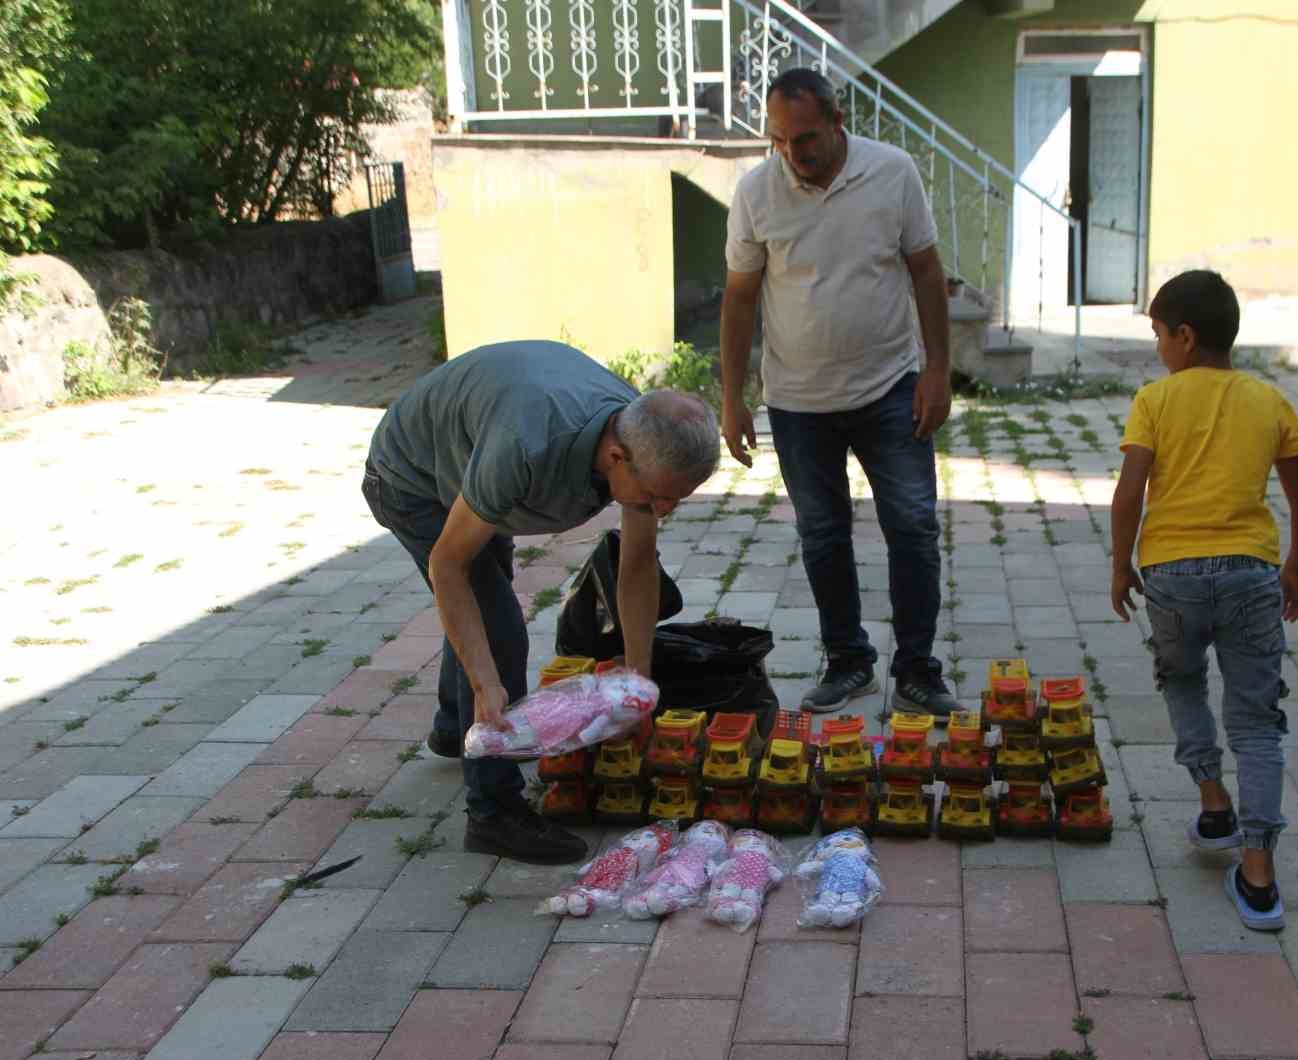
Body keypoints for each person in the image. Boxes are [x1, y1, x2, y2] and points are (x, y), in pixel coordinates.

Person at [363, 340, 720, 865]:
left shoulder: (642, 437)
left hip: (475, 455)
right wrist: (488, 683)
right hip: (414, 476)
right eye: (654, 499)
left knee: (485, 608)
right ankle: (494, 811)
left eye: (676, 499)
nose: (662, 510)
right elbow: (448, 564)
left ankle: (452, 728)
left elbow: (638, 565)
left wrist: (638, 681)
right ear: (617, 458)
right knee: (499, 628)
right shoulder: (526, 448)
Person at [718, 67, 960, 720]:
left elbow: (926, 269)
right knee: (823, 534)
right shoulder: (756, 193)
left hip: (891, 390)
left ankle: (916, 669)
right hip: (798, 403)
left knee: (911, 527)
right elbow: (740, 299)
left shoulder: (893, 172)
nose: (792, 154)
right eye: (779, 140)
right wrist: (732, 397)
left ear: (837, 121)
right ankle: (847, 660)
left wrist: (938, 369)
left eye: (804, 139)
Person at [1109, 271, 1298, 932]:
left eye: (1158, 336)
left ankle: (1213, 805)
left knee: (1182, 683)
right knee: (1257, 721)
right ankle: (1258, 876)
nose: (1157, 349)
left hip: (1170, 576)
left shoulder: (1155, 400)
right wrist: (1296, 569)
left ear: (1185, 335)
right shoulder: (1268, 400)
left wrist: (1121, 565)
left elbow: (1129, 492)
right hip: (1252, 575)